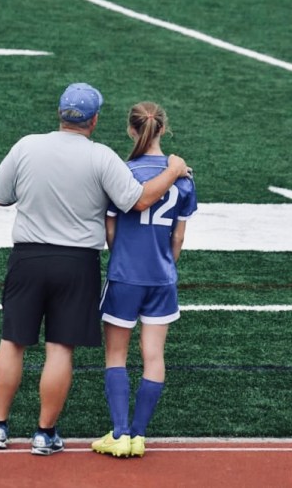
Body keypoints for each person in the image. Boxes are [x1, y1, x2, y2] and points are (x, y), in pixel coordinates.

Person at [0, 84, 191, 456]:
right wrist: (174, 168)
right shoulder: (102, 157)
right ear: (94, 120)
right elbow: (139, 199)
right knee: (60, 347)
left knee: (12, 341)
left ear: (60, 113)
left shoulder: (27, 145)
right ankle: (44, 434)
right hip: (78, 263)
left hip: (28, 255)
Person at [91, 101, 197, 458]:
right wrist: (165, 262)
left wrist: (121, 255)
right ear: (163, 129)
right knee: (154, 355)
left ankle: (119, 433)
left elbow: (109, 228)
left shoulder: (121, 173)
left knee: (116, 354)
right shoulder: (183, 177)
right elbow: (178, 238)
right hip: (162, 277)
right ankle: (138, 435)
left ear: (131, 130)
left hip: (125, 275)